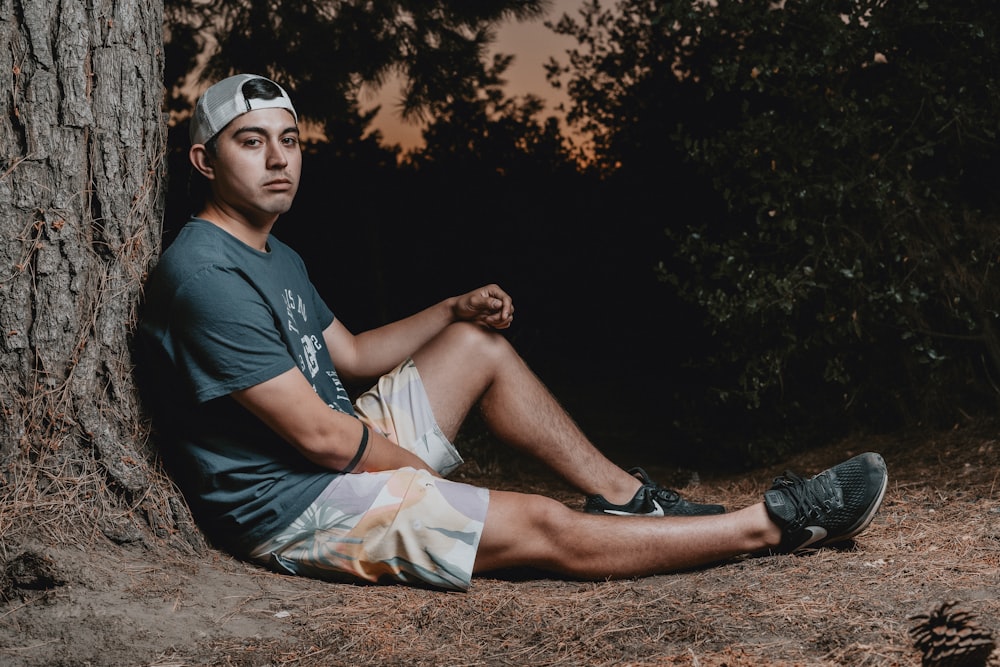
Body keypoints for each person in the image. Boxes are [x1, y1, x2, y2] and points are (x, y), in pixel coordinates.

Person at [136, 74, 889, 592]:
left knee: (478, 344)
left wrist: (453, 307)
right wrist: (416, 477)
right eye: (251, 141)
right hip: (292, 505)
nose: (278, 159)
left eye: (290, 139)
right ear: (205, 160)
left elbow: (353, 354)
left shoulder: (275, 252)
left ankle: (632, 499)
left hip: (337, 445)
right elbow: (324, 443)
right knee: (540, 524)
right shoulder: (205, 275)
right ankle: (772, 524)